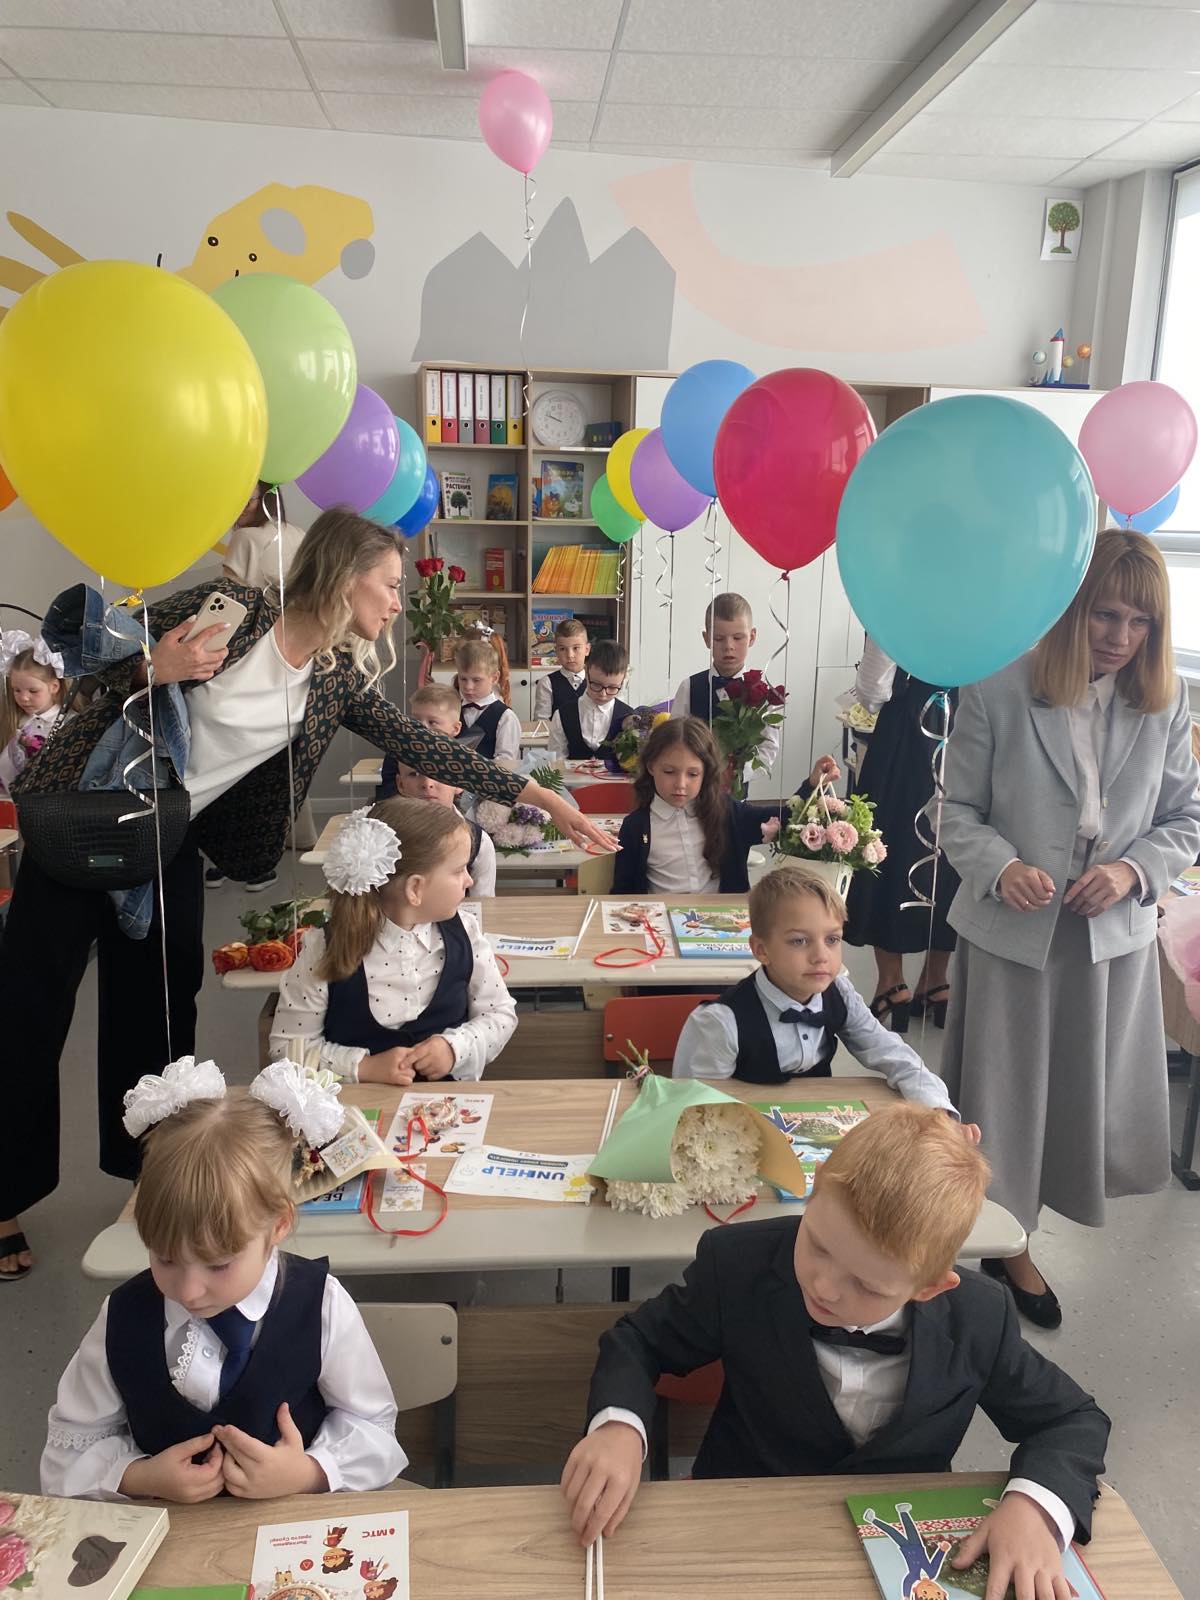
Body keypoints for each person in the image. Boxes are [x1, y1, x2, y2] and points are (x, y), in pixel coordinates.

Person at [0, 510, 609, 1281]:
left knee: (155, 1016)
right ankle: (4, 1195)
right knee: (27, 1011)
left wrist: (542, 797)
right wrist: (153, 667)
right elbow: (83, 660)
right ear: (344, 575)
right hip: (87, 815)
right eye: (389, 584)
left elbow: (422, 743)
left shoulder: (333, 679)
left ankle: (147, 1177)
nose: (397, 603)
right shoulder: (232, 612)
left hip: (166, 840)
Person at [561, 1104, 1110, 1600]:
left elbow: (1072, 1419)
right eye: (818, 1245)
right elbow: (640, 1340)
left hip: (897, 1550)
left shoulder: (978, 1316)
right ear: (817, 1186)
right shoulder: (738, 1265)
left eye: (867, 1286)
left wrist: (1035, 1506)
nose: (824, 1286)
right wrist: (619, 1428)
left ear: (929, 1288)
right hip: (739, 1529)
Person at [937, 529, 1200, 1328]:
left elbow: (1185, 819)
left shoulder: (1165, 702)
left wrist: (1132, 871)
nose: (1121, 637)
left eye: (1140, 622)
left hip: (1106, 940)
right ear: (1071, 609)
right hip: (1010, 934)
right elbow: (954, 813)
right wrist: (1002, 865)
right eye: (1105, 615)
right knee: (1002, 1101)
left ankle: (1024, 1226)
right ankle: (1006, 1241)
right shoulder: (997, 687)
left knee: (1077, 1105)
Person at [41, 1057, 407, 1500]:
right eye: (165, 1259)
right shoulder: (123, 1315)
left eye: (218, 1265)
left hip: (293, 1524)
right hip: (169, 1530)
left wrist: (308, 1472)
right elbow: (68, 1450)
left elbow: (373, 1427)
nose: (189, 1291)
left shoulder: (321, 1304)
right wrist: (138, 1477)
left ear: (278, 1225)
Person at [673, 868, 971, 1126]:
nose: (821, 956)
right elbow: (698, 1112)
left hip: (813, 1130)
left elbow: (892, 1053)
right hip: (743, 1135)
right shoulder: (720, 1023)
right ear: (761, 950)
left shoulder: (839, 993)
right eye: (799, 941)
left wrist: (938, 1110)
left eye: (832, 939)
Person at [271, 797, 515, 1086]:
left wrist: (455, 1048)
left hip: (448, 1107)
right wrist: (363, 1067)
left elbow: (500, 1014)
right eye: (459, 870)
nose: (469, 881)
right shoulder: (324, 949)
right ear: (415, 889)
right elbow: (286, 1050)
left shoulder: (467, 932)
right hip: (355, 1110)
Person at [843, 637, 961, 1033]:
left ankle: (892, 983)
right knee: (954, 847)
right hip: (964, 732)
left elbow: (874, 690)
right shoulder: (987, 605)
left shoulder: (901, 606)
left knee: (886, 845)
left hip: (906, 737)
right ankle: (937, 980)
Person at [612, 717, 836, 896]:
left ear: (706, 772)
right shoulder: (635, 826)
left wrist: (813, 785)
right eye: (669, 772)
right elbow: (622, 892)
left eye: (693, 774)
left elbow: (784, 817)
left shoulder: (728, 812)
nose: (680, 784)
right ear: (651, 766)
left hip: (724, 923)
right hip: (660, 925)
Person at [378, 684, 496, 898]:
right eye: (414, 774)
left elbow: (483, 903)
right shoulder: (382, 838)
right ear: (400, 784)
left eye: (439, 775)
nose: (427, 784)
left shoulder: (479, 843)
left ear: (459, 783)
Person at [671, 593, 780, 777]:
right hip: (692, 787)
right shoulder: (689, 687)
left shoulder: (764, 695)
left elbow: (768, 749)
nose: (728, 646)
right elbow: (674, 739)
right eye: (719, 638)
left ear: (752, 637)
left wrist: (738, 773)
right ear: (706, 638)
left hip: (738, 789)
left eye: (738, 638)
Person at [0, 630, 71, 794]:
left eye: (33, 691)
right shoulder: (15, 720)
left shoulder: (69, 723)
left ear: (54, 686)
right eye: (17, 690)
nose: (24, 698)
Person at [547, 639, 635, 762]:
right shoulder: (563, 714)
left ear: (623, 680)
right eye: (596, 685)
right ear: (586, 672)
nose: (603, 694)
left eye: (612, 687)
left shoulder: (629, 717)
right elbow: (556, 762)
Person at [220, 481, 306, 593]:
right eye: (234, 501)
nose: (239, 508)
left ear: (266, 500)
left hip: (251, 604)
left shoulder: (245, 536)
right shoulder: (299, 533)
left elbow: (227, 594)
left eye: (247, 502)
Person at [455, 636, 521, 763]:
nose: (468, 687)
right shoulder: (452, 710)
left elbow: (505, 762)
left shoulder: (506, 717)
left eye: (476, 680)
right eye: (463, 679)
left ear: (494, 678)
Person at [533, 616, 589, 722]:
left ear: (587, 649)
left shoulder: (597, 681)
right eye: (562, 649)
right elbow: (542, 722)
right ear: (556, 652)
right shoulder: (547, 683)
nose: (570, 655)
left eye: (576, 648)